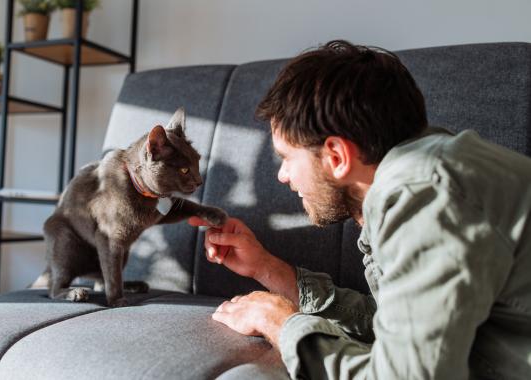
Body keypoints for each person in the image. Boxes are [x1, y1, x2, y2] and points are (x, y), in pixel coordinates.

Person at [188, 40, 531, 379]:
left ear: (336, 156)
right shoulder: (419, 171)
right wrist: (267, 268)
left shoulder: (426, 196)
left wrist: (280, 324)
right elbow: (389, 321)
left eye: (287, 158)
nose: (282, 176)